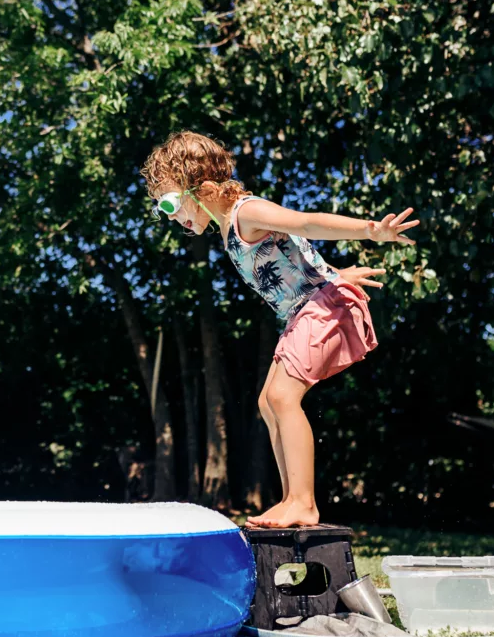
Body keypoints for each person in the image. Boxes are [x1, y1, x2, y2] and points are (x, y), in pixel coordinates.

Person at [142, 131, 419, 527]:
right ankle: (291, 499)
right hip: (307, 308)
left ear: (201, 186)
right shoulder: (227, 229)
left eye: (169, 202)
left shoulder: (246, 212)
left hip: (322, 307)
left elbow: (305, 223)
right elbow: (296, 259)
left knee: (283, 396)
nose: (170, 215)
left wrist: (371, 230)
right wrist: (337, 273)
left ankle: (304, 503)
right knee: (267, 402)